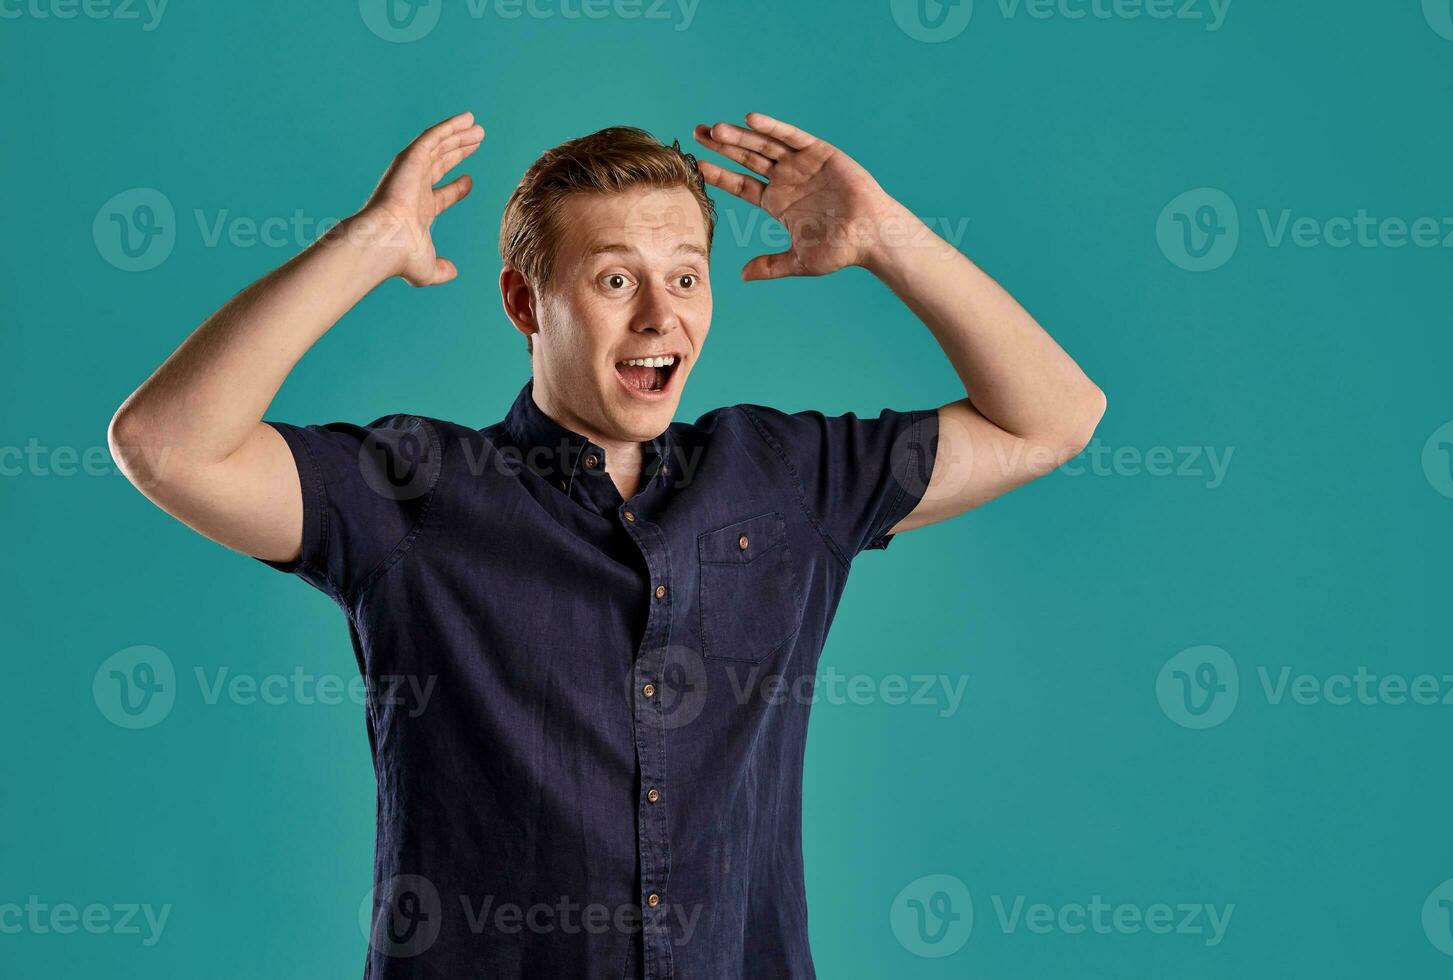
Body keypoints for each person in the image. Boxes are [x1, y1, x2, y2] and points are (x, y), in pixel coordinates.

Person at [108, 109, 1105, 979]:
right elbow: (164, 446)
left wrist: (889, 238)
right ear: (522, 303)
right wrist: (369, 244)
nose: (660, 314)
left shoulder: (785, 479)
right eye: (615, 278)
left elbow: (1055, 417)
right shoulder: (414, 495)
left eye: (685, 276)